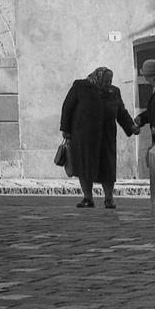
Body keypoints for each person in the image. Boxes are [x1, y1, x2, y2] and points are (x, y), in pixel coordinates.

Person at [59, 66, 136, 209]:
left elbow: (121, 112)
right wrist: (66, 129)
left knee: (107, 167)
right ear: (98, 78)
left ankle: (109, 199)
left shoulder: (114, 92)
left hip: (106, 135)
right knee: (85, 166)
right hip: (84, 136)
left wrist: (131, 126)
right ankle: (88, 198)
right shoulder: (81, 87)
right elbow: (67, 108)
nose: (108, 83)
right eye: (106, 80)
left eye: (110, 81)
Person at [135, 60, 155, 147]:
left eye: (147, 77)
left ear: (153, 76)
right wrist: (142, 118)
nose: (146, 79)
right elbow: (153, 110)